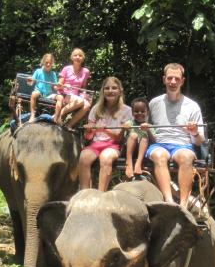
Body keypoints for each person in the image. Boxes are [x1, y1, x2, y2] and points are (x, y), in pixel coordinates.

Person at [145, 63, 205, 207]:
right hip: (159, 143)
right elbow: (146, 130)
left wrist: (194, 132)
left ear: (182, 81)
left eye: (176, 79)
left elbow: (199, 141)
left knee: (186, 157)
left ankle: (183, 205)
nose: (173, 82)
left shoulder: (192, 105)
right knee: (159, 155)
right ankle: (169, 202)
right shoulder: (154, 103)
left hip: (183, 145)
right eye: (170, 78)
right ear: (164, 79)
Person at [79, 76, 132, 191]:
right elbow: (88, 137)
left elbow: (119, 138)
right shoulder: (96, 109)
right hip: (96, 144)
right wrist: (89, 131)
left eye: (114, 88)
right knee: (84, 157)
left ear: (120, 91)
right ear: (103, 91)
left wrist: (104, 129)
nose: (110, 91)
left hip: (114, 145)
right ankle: (84, 193)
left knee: (106, 157)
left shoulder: (127, 110)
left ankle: (101, 194)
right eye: (107, 88)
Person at [54, 48, 92, 128]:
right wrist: (63, 85)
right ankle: (58, 115)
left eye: (80, 56)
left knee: (87, 105)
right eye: (75, 55)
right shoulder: (66, 68)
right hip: (64, 94)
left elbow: (83, 87)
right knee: (80, 101)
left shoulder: (86, 71)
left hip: (76, 96)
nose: (78, 57)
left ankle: (69, 125)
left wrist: (84, 94)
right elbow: (59, 84)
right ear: (72, 58)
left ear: (83, 58)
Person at [124, 97, 156, 180]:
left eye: (142, 111)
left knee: (144, 137)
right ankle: (129, 163)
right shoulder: (129, 123)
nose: (139, 113)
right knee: (133, 135)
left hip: (143, 152)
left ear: (147, 112)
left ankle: (138, 163)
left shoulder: (149, 126)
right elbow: (122, 139)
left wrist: (148, 131)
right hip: (130, 150)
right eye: (136, 111)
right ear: (132, 112)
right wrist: (124, 128)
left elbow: (155, 141)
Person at [28, 53, 58, 123]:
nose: (48, 64)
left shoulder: (53, 74)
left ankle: (56, 117)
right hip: (39, 91)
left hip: (49, 94)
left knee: (60, 97)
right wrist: (29, 81)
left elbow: (55, 87)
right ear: (43, 62)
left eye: (50, 63)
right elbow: (31, 83)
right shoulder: (38, 71)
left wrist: (58, 86)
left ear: (52, 64)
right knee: (34, 94)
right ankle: (32, 115)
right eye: (46, 62)